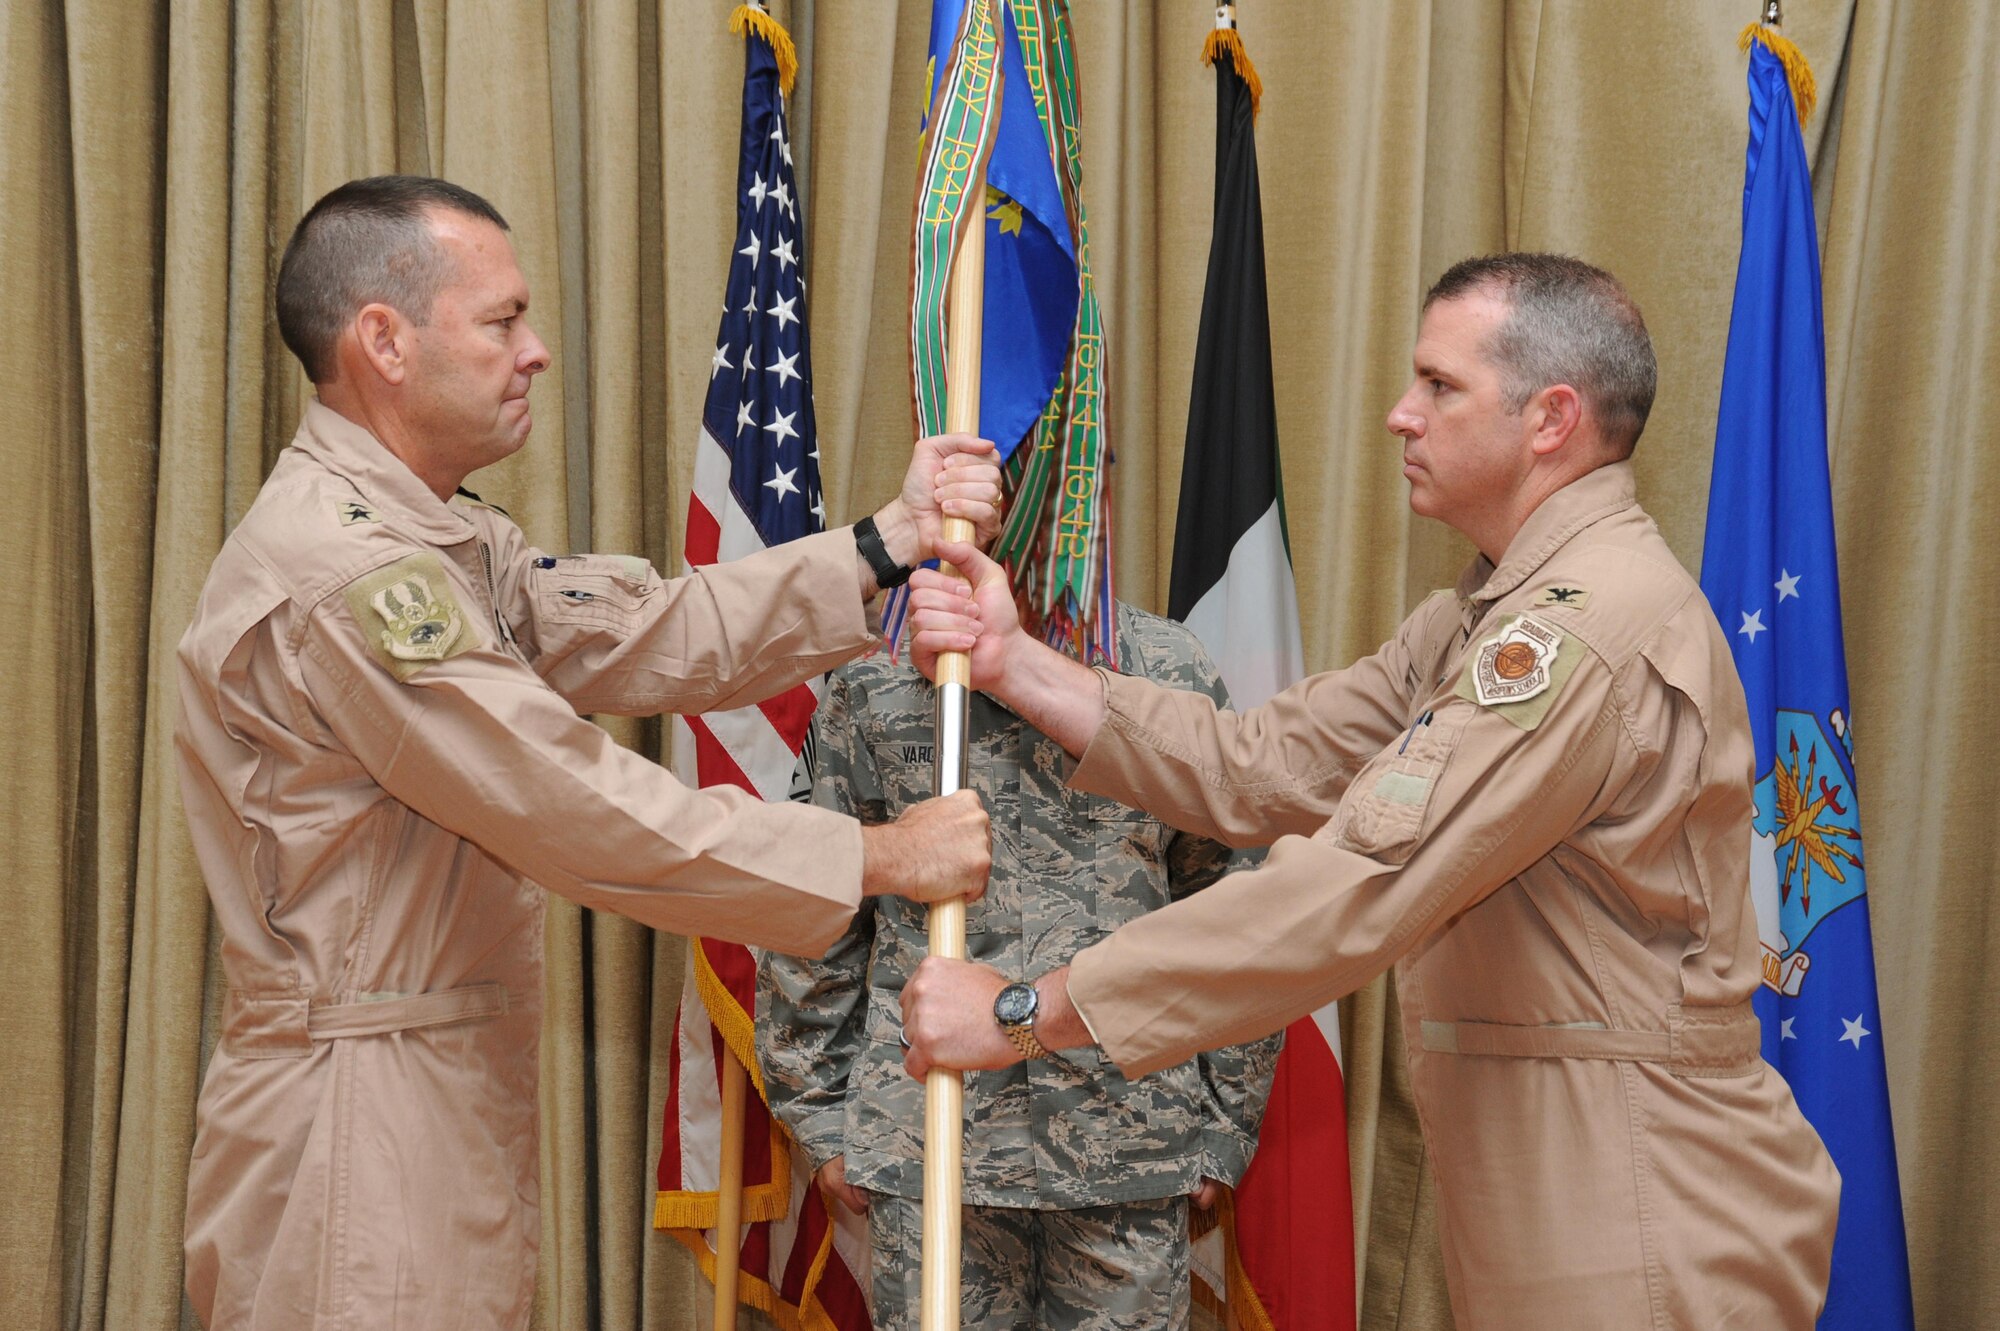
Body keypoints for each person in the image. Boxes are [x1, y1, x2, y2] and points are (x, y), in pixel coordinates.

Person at [898, 254, 1842, 1329]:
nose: (1400, 415)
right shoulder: (1482, 613)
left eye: (1439, 386)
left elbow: (1355, 885)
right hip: (1556, 1173)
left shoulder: (1578, 628)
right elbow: (1256, 764)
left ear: (1550, 419)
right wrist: (1014, 660)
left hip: (1634, 1192)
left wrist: (1022, 1011)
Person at [175, 175, 999, 1331]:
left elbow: (649, 630)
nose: (537, 352)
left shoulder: (437, 530)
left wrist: (882, 543)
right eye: (502, 321)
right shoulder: (350, 572)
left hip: (433, 1083)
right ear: (384, 341)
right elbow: (571, 803)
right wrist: (875, 856)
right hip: (357, 1119)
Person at [758, 592, 1281, 1331]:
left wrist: (1223, 1121)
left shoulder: (1164, 669)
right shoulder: (876, 678)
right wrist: (826, 1122)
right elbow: (821, 898)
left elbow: (1233, 901)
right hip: (932, 1145)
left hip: (1125, 1145)